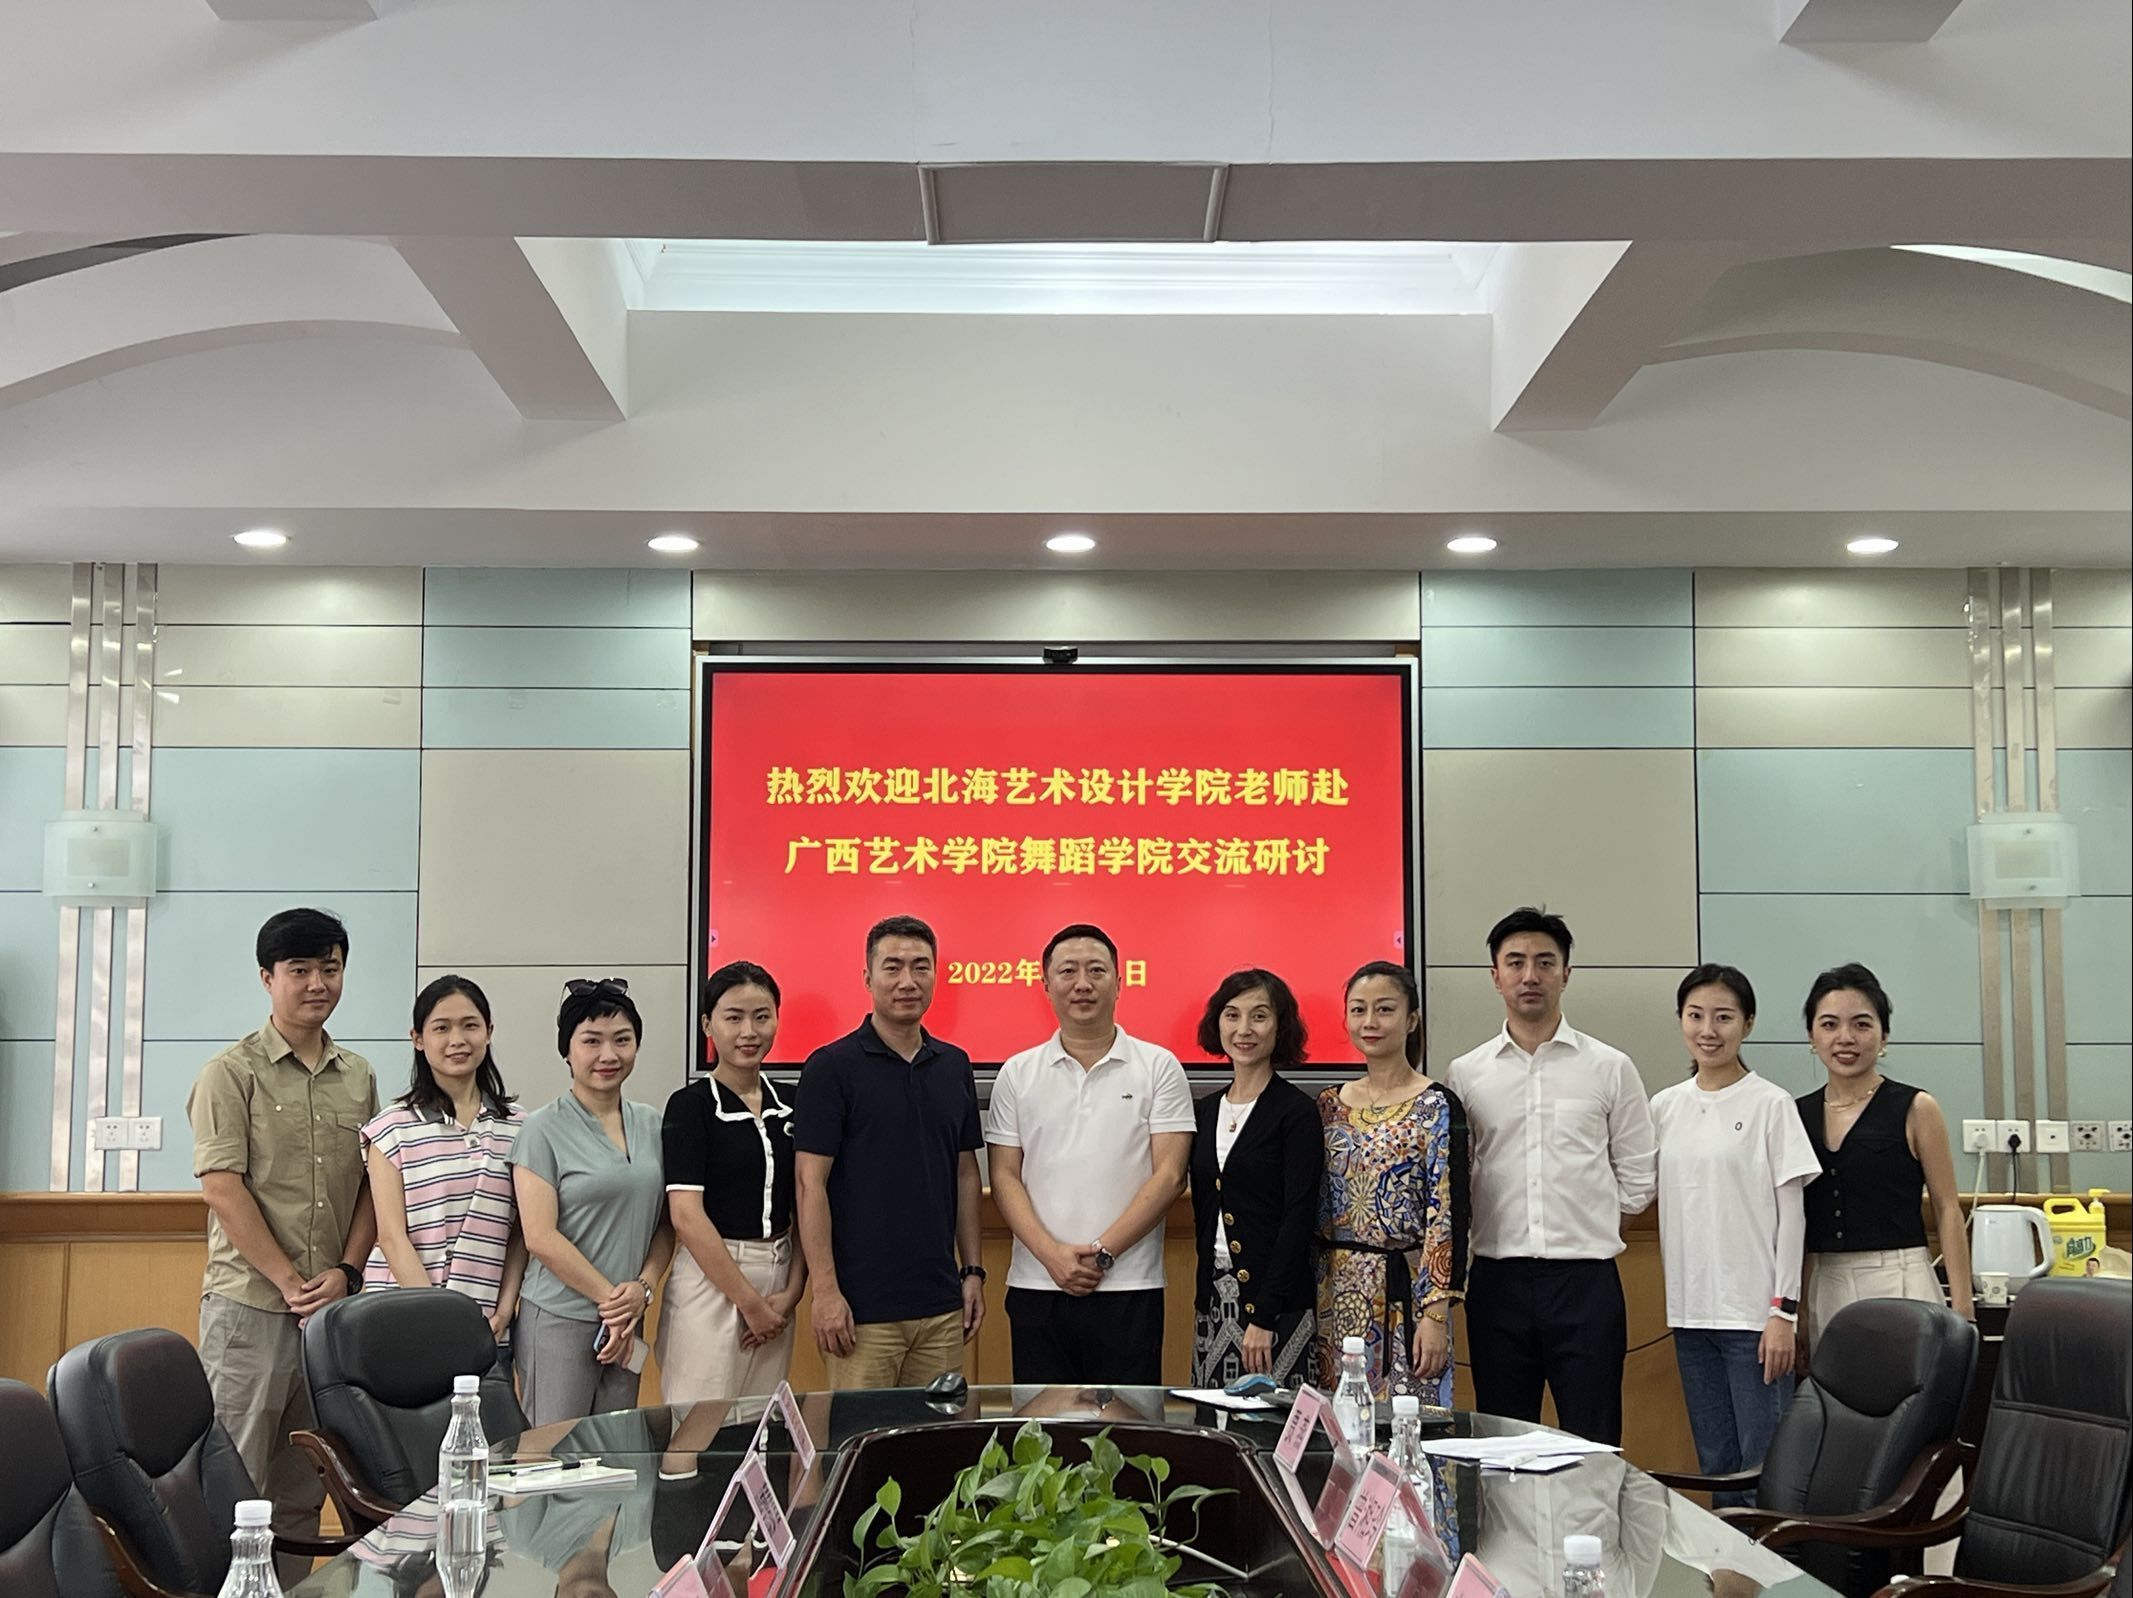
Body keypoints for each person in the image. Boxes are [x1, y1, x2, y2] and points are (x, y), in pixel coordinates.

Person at [186, 907, 378, 1584]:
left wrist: (347, 1271)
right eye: (300, 970)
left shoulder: (358, 1075)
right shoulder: (230, 1072)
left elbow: (371, 1188)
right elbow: (222, 1187)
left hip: (328, 1316)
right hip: (249, 1309)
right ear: (268, 978)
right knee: (233, 1483)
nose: (317, 983)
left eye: (330, 968)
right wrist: (288, 1281)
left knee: (304, 1485)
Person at [1446, 907, 1656, 1445]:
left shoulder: (1610, 1067)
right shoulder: (1467, 1073)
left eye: (1544, 962)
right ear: (1495, 976)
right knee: (1502, 1442)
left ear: (1566, 973)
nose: (1530, 975)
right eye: (1515, 962)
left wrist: (1593, 1228)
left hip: (1586, 1284)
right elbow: (1456, 1180)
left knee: (1593, 1440)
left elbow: (1638, 1173)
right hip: (1497, 1282)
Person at [988, 923, 1195, 1385]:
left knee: (1127, 1422)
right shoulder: (1017, 1073)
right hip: (1037, 1283)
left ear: (1119, 983)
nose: (1082, 983)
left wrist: (1102, 1254)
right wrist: (1052, 1257)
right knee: (1040, 1424)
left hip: (1130, 1285)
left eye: (1096, 971)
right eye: (1068, 971)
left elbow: (1170, 1176)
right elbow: (1003, 1177)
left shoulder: (1159, 1067)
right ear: (1046, 985)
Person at [1650, 965, 1821, 1506]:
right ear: (1680, 1020)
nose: (1709, 1030)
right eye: (1695, 1016)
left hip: (1754, 1320)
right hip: (1689, 1315)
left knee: (1765, 1471)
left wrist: (1783, 1313)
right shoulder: (1664, 1107)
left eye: (1723, 1017)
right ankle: (1728, 1561)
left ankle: (1774, 1560)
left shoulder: (1771, 1104)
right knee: (1717, 1467)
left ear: (1747, 1023)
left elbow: (1793, 1216)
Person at [794, 916, 986, 1388]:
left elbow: (965, 1173)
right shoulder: (830, 1067)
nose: (908, 981)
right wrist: (825, 1292)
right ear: (867, 977)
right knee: (863, 1432)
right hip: (861, 1313)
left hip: (942, 1308)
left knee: (939, 1433)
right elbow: (809, 1184)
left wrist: (973, 1271)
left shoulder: (954, 1065)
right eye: (893, 967)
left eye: (921, 967)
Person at [509, 978, 675, 1424]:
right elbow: (539, 1236)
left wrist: (643, 1290)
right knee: (552, 1447)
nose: (608, 1054)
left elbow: (665, 1223)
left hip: (629, 1316)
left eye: (622, 1040)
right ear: (567, 1050)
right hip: (559, 1318)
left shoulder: (653, 1124)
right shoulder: (541, 1129)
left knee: (616, 1448)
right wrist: (612, 1302)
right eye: (591, 1041)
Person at [1797, 962, 1974, 1349]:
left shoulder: (1916, 1107)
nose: (1845, 1038)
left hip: (1901, 1277)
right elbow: (1798, 1223)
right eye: (1829, 1024)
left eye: (1861, 1024)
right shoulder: (1795, 1115)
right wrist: (1799, 1310)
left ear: (1884, 1036)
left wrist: (1963, 1308)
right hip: (1823, 1282)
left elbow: (1947, 1207)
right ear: (1811, 1036)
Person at [1316, 960, 1469, 1404]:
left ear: (1412, 1019)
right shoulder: (1328, 1106)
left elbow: (1447, 1213)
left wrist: (1435, 1314)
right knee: (1339, 1425)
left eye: (1384, 1009)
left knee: (1409, 1425)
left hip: (1407, 1296)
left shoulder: (1436, 1105)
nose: (1370, 1021)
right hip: (1333, 1294)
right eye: (1358, 1009)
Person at [658, 961, 806, 1402]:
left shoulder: (795, 1102)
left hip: (780, 1278)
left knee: (760, 1421)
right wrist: (749, 1302)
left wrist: (792, 1292)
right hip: (712, 1279)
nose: (749, 1031)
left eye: (762, 1016)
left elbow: (807, 1203)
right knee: (698, 1418)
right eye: (733, 1017)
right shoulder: (690, 1106)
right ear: (708, 1025)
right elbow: (686, 1216)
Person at [361, 975, 527, 1359]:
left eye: (470, 1025)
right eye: (441, 1028)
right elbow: (391, 1236)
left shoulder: (521, 1127)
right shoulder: (391, 1128)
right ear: (418, 1039)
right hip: (403, 1322)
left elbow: (521, 1232)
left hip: (488, 1327)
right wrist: (438, 1320)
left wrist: (505, 1309)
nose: (457, 1039)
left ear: (489, 1032)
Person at [1189, 968, 1324, 1388]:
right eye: (1232, 1015)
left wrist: (1265, 1315)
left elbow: (1299, 1217)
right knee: (1211, 1421)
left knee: (1276, 1422)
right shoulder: (1205, 1111)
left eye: (1259, 1016)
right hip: (1214, 1301)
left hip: (1275, 1307)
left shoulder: (1296, 1112)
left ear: (1280, 1026)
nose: (1244, 1029)